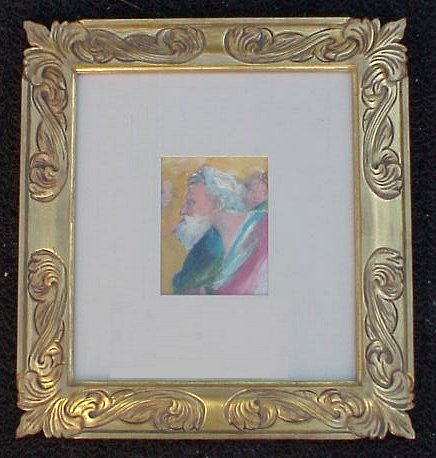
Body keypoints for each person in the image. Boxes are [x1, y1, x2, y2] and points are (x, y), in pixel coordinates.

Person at [173, 166, 268, 295]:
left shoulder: (265, 230)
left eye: (191, 202)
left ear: (217, 205)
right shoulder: (205, 246)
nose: (183, 211)